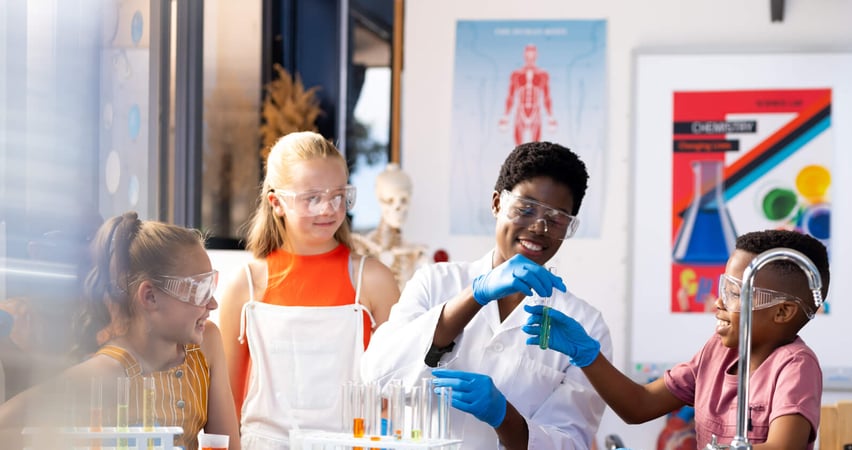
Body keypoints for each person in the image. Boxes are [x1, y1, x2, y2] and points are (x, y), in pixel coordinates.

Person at [362, 141, 612, 449]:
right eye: (525, 208)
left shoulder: (584, 325)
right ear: (497, 204)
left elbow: (571, 442)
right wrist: (474, 297)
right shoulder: (435, 282)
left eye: (558, 218)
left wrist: (505, 416)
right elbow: (378, 376)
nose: (538, 226)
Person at [524, 229, 830, 450]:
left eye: (735, 293)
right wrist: (587, 355)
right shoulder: (717, 353)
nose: (718, 303)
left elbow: (783, 447)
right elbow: (639, 406)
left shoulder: (795, 366)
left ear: (783, 312)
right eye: (724, 288)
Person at [217, 131, 400, 449]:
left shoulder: (373, 280)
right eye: (312, 197)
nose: (328, 208)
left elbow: (397, 392)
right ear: (277, 203)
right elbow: (226, 402)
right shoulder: (245, 286)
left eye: (338, 195)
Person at [0, 211, 241, 450]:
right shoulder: (106, 370)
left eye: (211, 284)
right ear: (150, 296)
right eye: (198, 289)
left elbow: (227, 445)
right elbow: (5, 424)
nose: (212, 304)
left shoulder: (206, 343)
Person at [351, 163, 428, 290]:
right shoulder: (360, 247)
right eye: (390, 200)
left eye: (403, 200)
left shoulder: (416, 255)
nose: (397, 207)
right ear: (380, 200)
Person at [499, 44, 556, 146]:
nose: (530, 58)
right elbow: (510, 96)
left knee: (536, 147)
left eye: (532, 55)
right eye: (528, 55)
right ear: (524, 55)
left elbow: (546, 98)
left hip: (536, 112)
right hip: (520, 112)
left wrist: (550, 117)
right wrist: (505, 116)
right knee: (518, 147)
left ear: (536, 56)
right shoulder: (516, 75)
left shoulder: (542, 75)